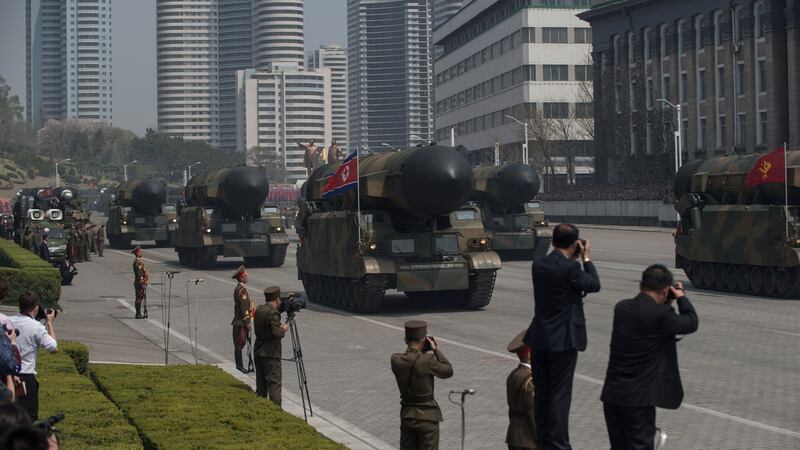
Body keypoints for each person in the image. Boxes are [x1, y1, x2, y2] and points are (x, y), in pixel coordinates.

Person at [601, 265, 699, 450]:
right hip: (638, 400)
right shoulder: (661, 314)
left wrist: (665, 303)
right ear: (664, 290)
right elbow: (691, 322)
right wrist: (681, 298)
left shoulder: (622, 308)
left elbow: (652, 325)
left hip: (613, 395)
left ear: (641, 285)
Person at [523, 223, 601, 450]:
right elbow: (594, 284)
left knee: (543, 393)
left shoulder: (539, 265)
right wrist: (586, 258)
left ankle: (544, 440)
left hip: (540, 338)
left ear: (553, 241)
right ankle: (559, 444)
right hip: (563, 340)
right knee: (560, 394)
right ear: (575, 243)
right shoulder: (571, 270)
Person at [390, 320, 453, 450]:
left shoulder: (395, 360)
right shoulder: (427, 360)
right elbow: (448, 371)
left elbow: (409, 357)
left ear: (405, 340)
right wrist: (435, 350)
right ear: (424, 341)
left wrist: (419, 350)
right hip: (428, 417)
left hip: (407, 415)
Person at [9, 292, 57, 421]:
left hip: (5, 374)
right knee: (28, 418)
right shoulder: (36, 327)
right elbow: (53, 347)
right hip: (26, 377)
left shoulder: (7, 321)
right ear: (36, 308)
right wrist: (49, 322)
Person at [253, 286, 287, 406]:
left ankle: (262, 411)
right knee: (274, 386)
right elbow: (276, 333)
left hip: (258, 352)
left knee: (261, 387)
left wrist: (283, 306)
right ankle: (276, 413)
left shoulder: (259, 309)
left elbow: (270, 315)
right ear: (277, 299)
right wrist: (283, 329)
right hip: (271, 355)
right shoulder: (273, 313)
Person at [506, 330, 537, 450]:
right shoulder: (530, 379)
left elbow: (511, 407)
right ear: (529, 355)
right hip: (528, 439)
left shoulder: (513, 375)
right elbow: (533, 411)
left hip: (513, 435)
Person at [231, 266, 254, 373]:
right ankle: (239, 365)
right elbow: (244, 308)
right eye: (245, 275)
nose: (247, 277)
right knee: (240, 343)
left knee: (241, 343)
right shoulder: (242, 290)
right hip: (241, 322)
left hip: (240, 321)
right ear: (241, 277)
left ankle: (241, 365)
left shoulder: (239, 289)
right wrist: (248, 322)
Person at [132, 246, 149, 319]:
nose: (142, 253)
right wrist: (142, 284)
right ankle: (138, 314)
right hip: (139, 283)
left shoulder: (139, 261)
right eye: (140, 252)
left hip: (139, 283)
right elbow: (139, 275)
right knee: (139, 298)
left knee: (140, 297)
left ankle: (139, 313)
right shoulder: (138, 262)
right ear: (137, 253)